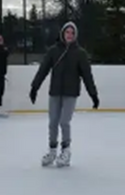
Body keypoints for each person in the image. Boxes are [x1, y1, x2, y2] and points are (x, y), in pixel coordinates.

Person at [29, 22, 99, 167]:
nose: (69, 35)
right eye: (67, 32)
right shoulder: (53, 51)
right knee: (53, 122)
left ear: (75, 35)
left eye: (72, 33)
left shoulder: (80, 53)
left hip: (70, 93)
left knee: (64, 122)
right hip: (55, 92)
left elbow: (87, 76)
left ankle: (66, 151)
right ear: (62, 33)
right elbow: (43, 70)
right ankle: (52, 150)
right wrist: (34, 87)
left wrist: (93, 94)